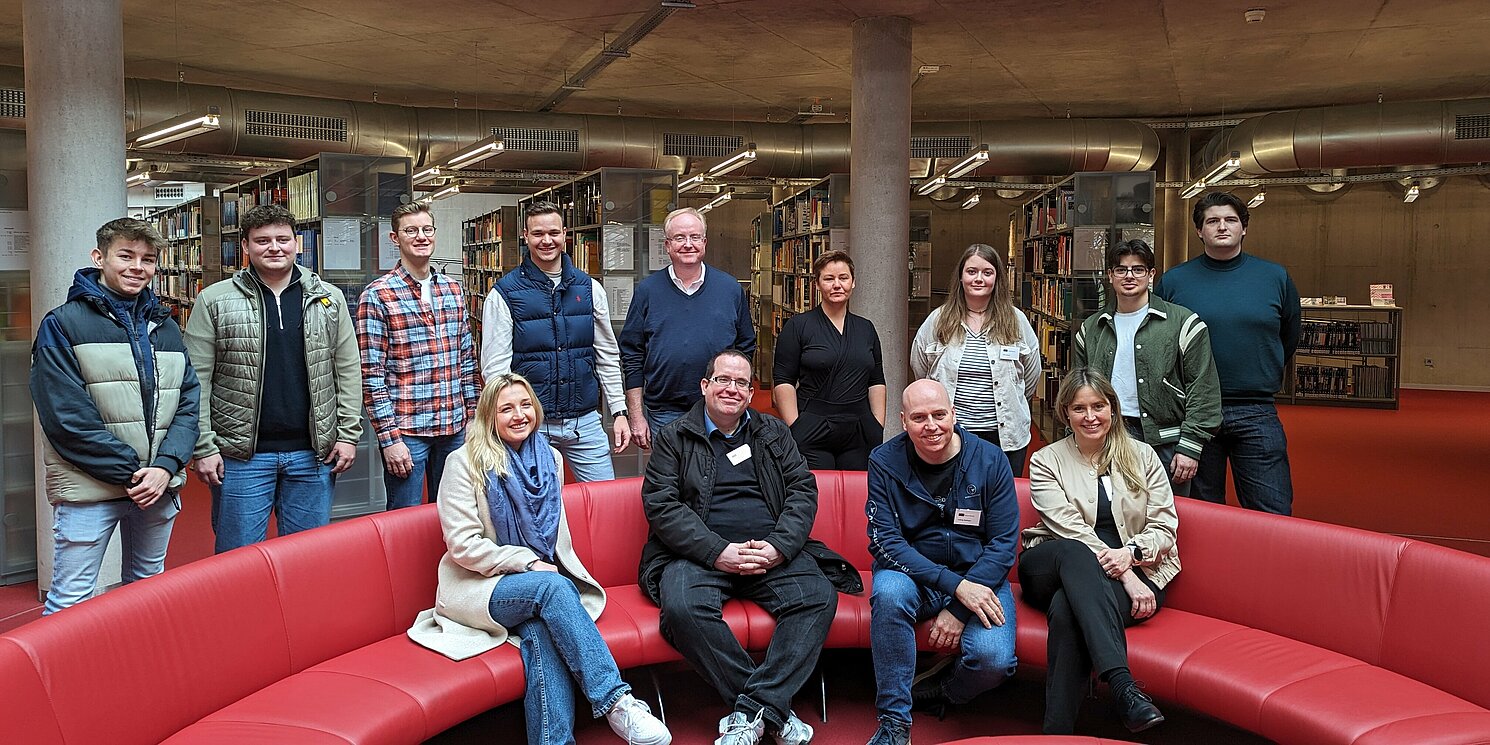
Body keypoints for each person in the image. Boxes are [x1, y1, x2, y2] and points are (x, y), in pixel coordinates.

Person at [406, 373, 670, 745]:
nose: (519, 415)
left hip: (537, 590)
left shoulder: (550, 459)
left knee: (543, 634)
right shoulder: (462, 462)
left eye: (525, 405)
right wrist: (526, 562)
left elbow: (553, 538)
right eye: (506, 408)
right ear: (488, 416)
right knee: (551, 588)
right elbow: (462, 545)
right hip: (482, 589)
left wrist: (539, 570)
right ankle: (616, 702)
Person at [639, 349, 858, 745]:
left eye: (742, 383)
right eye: (723, 379)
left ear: (750, 392)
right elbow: (662, 506)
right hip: (700, 555)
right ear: (705, 386)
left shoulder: (773, 432)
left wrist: (778, 547)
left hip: (768, 552)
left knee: (818, 596)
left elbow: (802, 490)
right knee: (682, 607)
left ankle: (749, 712)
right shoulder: (673, 438)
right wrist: (717, 551)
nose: (732, 389)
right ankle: (773, 710)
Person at [30, 218, 200, 614]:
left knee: (148, 592)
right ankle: (67, 679)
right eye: (126, 256)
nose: (137, 267)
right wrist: (136, 472)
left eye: (148, 259)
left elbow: (189, 401)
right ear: (99, 257)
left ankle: (136, 674)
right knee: (71, 602)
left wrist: (165, 466)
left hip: (158, 484)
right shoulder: (62, 324)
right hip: (90, 488)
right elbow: (66, 417)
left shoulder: (166, 326)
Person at [186, 204, 362, 552]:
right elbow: (196, 380)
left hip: (313, 455)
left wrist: (348, 435)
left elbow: (347, 369)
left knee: (306, 558)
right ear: (246, 247)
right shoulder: (214, 300)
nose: (274, 247)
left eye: (283, 239)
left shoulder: (329, 298)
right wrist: (203, 445)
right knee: (236, 560)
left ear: (297, 243)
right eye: (262, 240)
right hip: (240, 458)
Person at [1020, 368, 1180, 735]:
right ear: (1066, 413)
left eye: (1099, 406)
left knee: (1066, 609)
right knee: (1075, 552)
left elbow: (1164, 525)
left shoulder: (1142, 456)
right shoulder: (1047, 461)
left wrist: (1134, 555)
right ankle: (1123, 686)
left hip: (1138, 570)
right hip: (1052, 562)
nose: (1090, 417)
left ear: (1113, 409)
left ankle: (1056, 733)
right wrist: (1124, 572)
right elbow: (1068, 528)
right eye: (1079, 408)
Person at [863, 380, 1019, 745]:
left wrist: (960, 609)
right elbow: (886, 542)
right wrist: (955, 588)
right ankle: (894, 723)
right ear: (903, 421)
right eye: (919, 418)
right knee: (888, 593)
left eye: (939, 414)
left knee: (993, 659)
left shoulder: (990, 460)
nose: (930, 425)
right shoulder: (884, 462)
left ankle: (941, 689)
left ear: (953, 413)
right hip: (912, 574)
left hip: (978, 575)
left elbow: (1003, 544)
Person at [1155, 191, 1301, 514]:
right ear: (1199, 231)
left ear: (1244, 228)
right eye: (1213, 221)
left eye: (1230, 220)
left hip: (1256, 409)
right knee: (1201, 511)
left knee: (1272, 510)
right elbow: (1159, 340)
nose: (1222, 227)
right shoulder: (1174, 282)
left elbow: (1289, 335)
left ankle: (1268, 566)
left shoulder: (1275, 277)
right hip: (1194, 412)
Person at [481, 201, 629, 482]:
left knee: (602, 499)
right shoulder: (504, 294)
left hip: (584, 422)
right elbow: (495, 371)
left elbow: (607, 356)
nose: (546, 241)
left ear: (565, 233)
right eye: (537, 234)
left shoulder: (590, 289)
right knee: (537, 508)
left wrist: (619, 411)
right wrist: (509, 422)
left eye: (553, 233)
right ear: (526, 236)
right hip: (532, 425)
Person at [1073, 238, 1220, 497]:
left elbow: (1203, 388)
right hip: (1107, 435)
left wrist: (1190, 446)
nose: (1129, 276)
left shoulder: (1183, 322)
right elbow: (1077, 389)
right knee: (1110, 515)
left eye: (1138, 269)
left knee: (1164, 516)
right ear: (1110, 275)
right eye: (1121, 269)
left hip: (1166, 441)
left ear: (1151, 274)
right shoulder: (1091, 328)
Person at [358, 202, 481, 510]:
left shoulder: (453, 289)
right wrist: (389, 439)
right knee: (404, 520)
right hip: (408, 431)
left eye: (427, 230)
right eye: (411, 231)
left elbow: (467, 359)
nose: (421, 237)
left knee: (457, 516)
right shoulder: (377, 295)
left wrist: (473, 417)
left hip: (455, 427)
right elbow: (372, 375)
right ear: (394, 238)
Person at [620, 207, 756, 450]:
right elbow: (632, 355)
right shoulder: (647, 291)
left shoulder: (730, 289)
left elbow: (745, 346)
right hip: (664, 412)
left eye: (694, 237)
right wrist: (637, 416)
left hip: (720, 411)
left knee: (724, 482)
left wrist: (736, 396)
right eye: (680, 238)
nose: (688, 244)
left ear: (704, 242)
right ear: (667, 246)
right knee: (669, 483)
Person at [911, 243, 1040, 477]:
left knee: (1000, 503)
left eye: (987, 272)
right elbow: (921, 368)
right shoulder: (938, 320)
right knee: (954, 503)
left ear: (997, 278)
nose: (978, 279)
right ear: (960, 277)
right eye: (971, 272)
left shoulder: (1016, 321)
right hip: (952, 433)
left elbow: (1030, 375)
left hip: (1006, 435)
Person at [772, 250, 886, 470]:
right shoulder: (798, 326)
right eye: (828, 278)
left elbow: (876, 380)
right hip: (812, 425)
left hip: (859, 428)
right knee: (817, 494)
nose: (837, 285)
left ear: (853, 282)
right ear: (817, 284)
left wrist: (876, 425)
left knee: (857, 495)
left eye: (843, 278)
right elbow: (783, 380)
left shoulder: (866, 328)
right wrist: (795, 425)